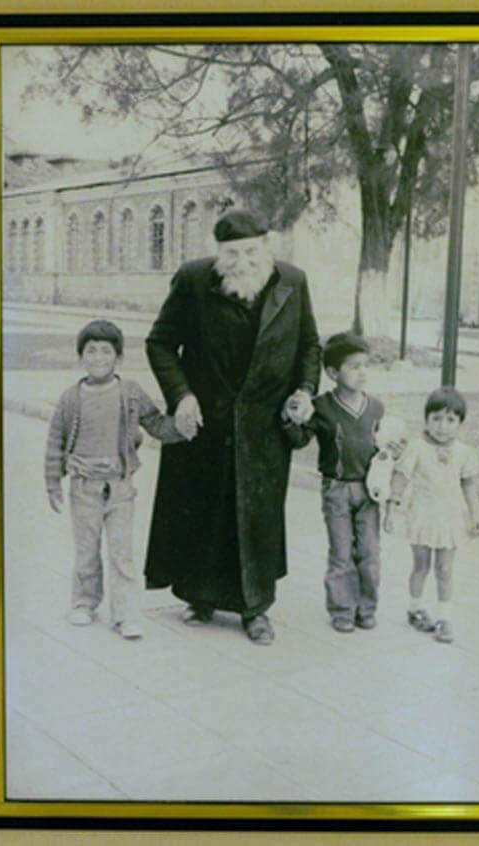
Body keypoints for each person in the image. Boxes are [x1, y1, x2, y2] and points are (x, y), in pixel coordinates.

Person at [144, 209, 321, 645]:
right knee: (204, 508)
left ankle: (256, 609)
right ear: (218, 253)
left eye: (251, 251)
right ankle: (199, 598)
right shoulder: (193, 279)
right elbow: (160, 342)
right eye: (232, 253)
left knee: (257, 517)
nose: (242, 260)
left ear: (267, 246)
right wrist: (182, 396)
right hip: (205, 421)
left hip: (264, 425)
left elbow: (309, 345)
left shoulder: (292, 282)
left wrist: (305, 389)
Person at [44, 319, 183, 639]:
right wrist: (53, 482)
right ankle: (83, 603)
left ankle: (126, 614)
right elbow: (54, 442)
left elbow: (156, 423)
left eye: (106, 351)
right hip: (83, 487)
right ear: (81, 357)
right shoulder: (70, 398)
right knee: (86, 550)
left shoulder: (130, 393)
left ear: (118, 358)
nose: (98, 357)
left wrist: (182, 427)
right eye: (90, 351)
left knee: (122, 554)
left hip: (120, 488)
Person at [283, 332, 385, 633]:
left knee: (369, 552)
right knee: (341, 552)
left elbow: (383, 447)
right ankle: (342, 609)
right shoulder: (322, 407)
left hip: (370, 491)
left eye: (366, 365)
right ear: (332, 373)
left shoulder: (376, 408)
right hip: (337, 489)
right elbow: (300, 440)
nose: (362, 372)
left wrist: (392, 453)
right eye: (354, 366)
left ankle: (366, 608)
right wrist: (291, 420)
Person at [384, 386, 479, 644]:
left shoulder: (464, 453)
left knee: (445, 569)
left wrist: (475, 514)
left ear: (460, 423)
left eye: (451, 420)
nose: (443, 426)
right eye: (436, 418)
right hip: (422, 516)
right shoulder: (416, 448)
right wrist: (392, 508)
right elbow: (401, 476)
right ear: (426, 419)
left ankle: (444, 618)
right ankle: (415, 608)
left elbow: (469, 485)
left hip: (449, 518)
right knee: (422, 566)